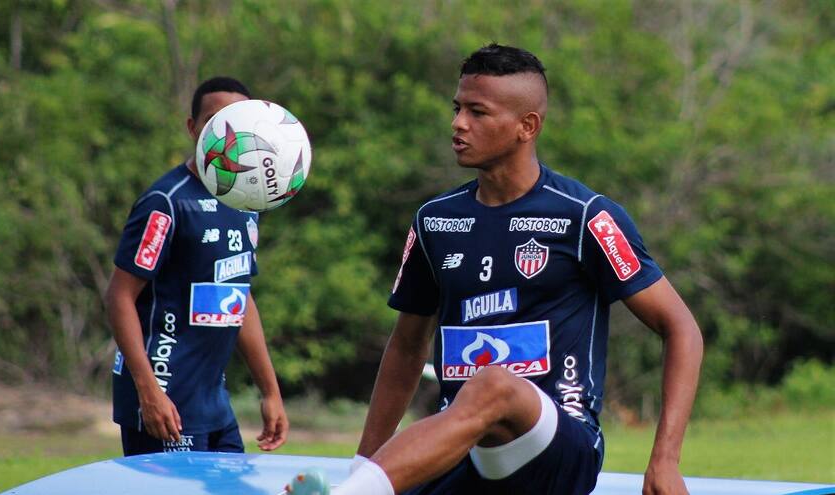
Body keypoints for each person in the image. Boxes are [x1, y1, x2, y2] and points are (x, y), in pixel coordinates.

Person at [288, 44, 703, 495]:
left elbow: (681, 327)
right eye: (457, 107)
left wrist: (664, 458)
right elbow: (407, 348)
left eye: (478, 112)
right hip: (462, 453)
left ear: (527, 126)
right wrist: (363, 465)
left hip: (559, 449)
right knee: (428, 443)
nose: (458, 123)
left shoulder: (586, 217)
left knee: (494, 385)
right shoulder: (435, 220)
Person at [105, 76, 288, 456]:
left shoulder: (245, 201)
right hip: (164, 402)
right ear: (193, 128)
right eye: (213, 121)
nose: (226, 134)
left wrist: (270, 390)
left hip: (213, 405)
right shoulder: (166, 202)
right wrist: (149, 390)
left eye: (235, 123)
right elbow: (119, 297)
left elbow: (238, 297)